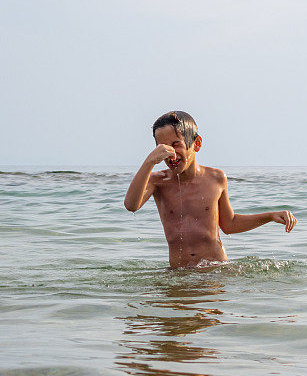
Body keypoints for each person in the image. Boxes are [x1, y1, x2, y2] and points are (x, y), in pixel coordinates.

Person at [124, 110, 297, 268]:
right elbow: (131, 205)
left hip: (215, 269)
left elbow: (229, 224)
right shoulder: (158, 181)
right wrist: (149, 162)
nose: (171, 154)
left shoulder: (216, 178)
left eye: (176, 145)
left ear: (196, 143)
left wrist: (270, 216)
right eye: (163, 148)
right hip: (178, 273)